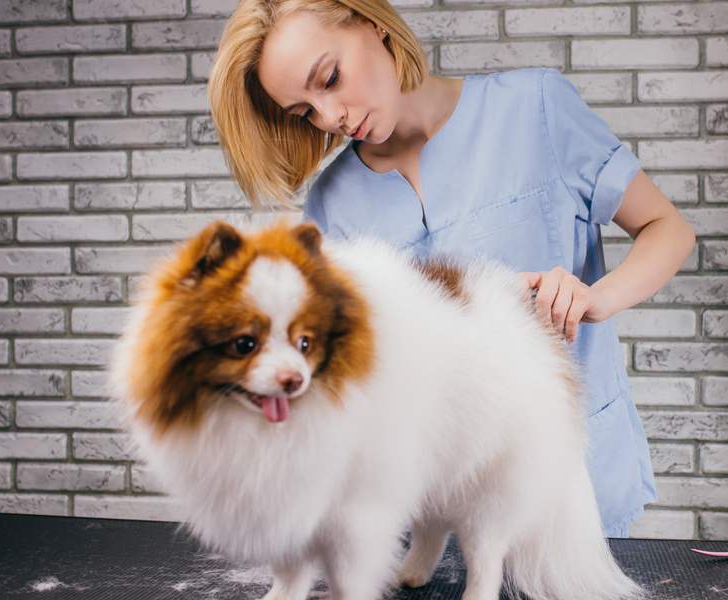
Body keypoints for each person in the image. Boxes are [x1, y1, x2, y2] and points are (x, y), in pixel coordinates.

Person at [207, 0, 696, 537]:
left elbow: (667, 228)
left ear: (372, 25)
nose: (330, 117)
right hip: (435, 516)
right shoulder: (332, 204)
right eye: (304, 113)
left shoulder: (535, 109)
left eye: (330, 78)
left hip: (572, 487)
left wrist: (593, 298)